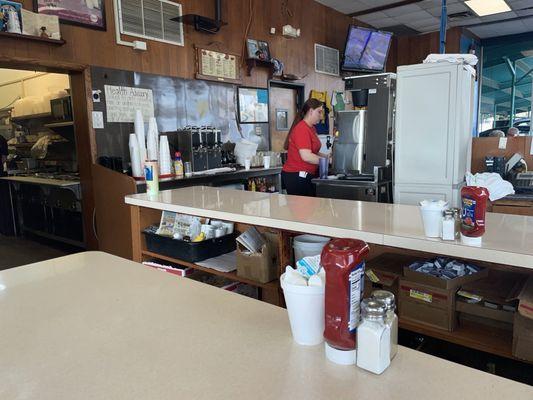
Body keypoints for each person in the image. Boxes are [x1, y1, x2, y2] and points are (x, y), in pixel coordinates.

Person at [281, 98, 330, 196]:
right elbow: (306, 156)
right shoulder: (302, 128)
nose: (321, 116)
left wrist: (327, 157)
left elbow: (313, 152)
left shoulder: (311, 128)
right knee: (304, 210)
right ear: (311, 111)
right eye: (319, 112)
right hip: (297, 175)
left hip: (307, 174)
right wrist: (327, 161)